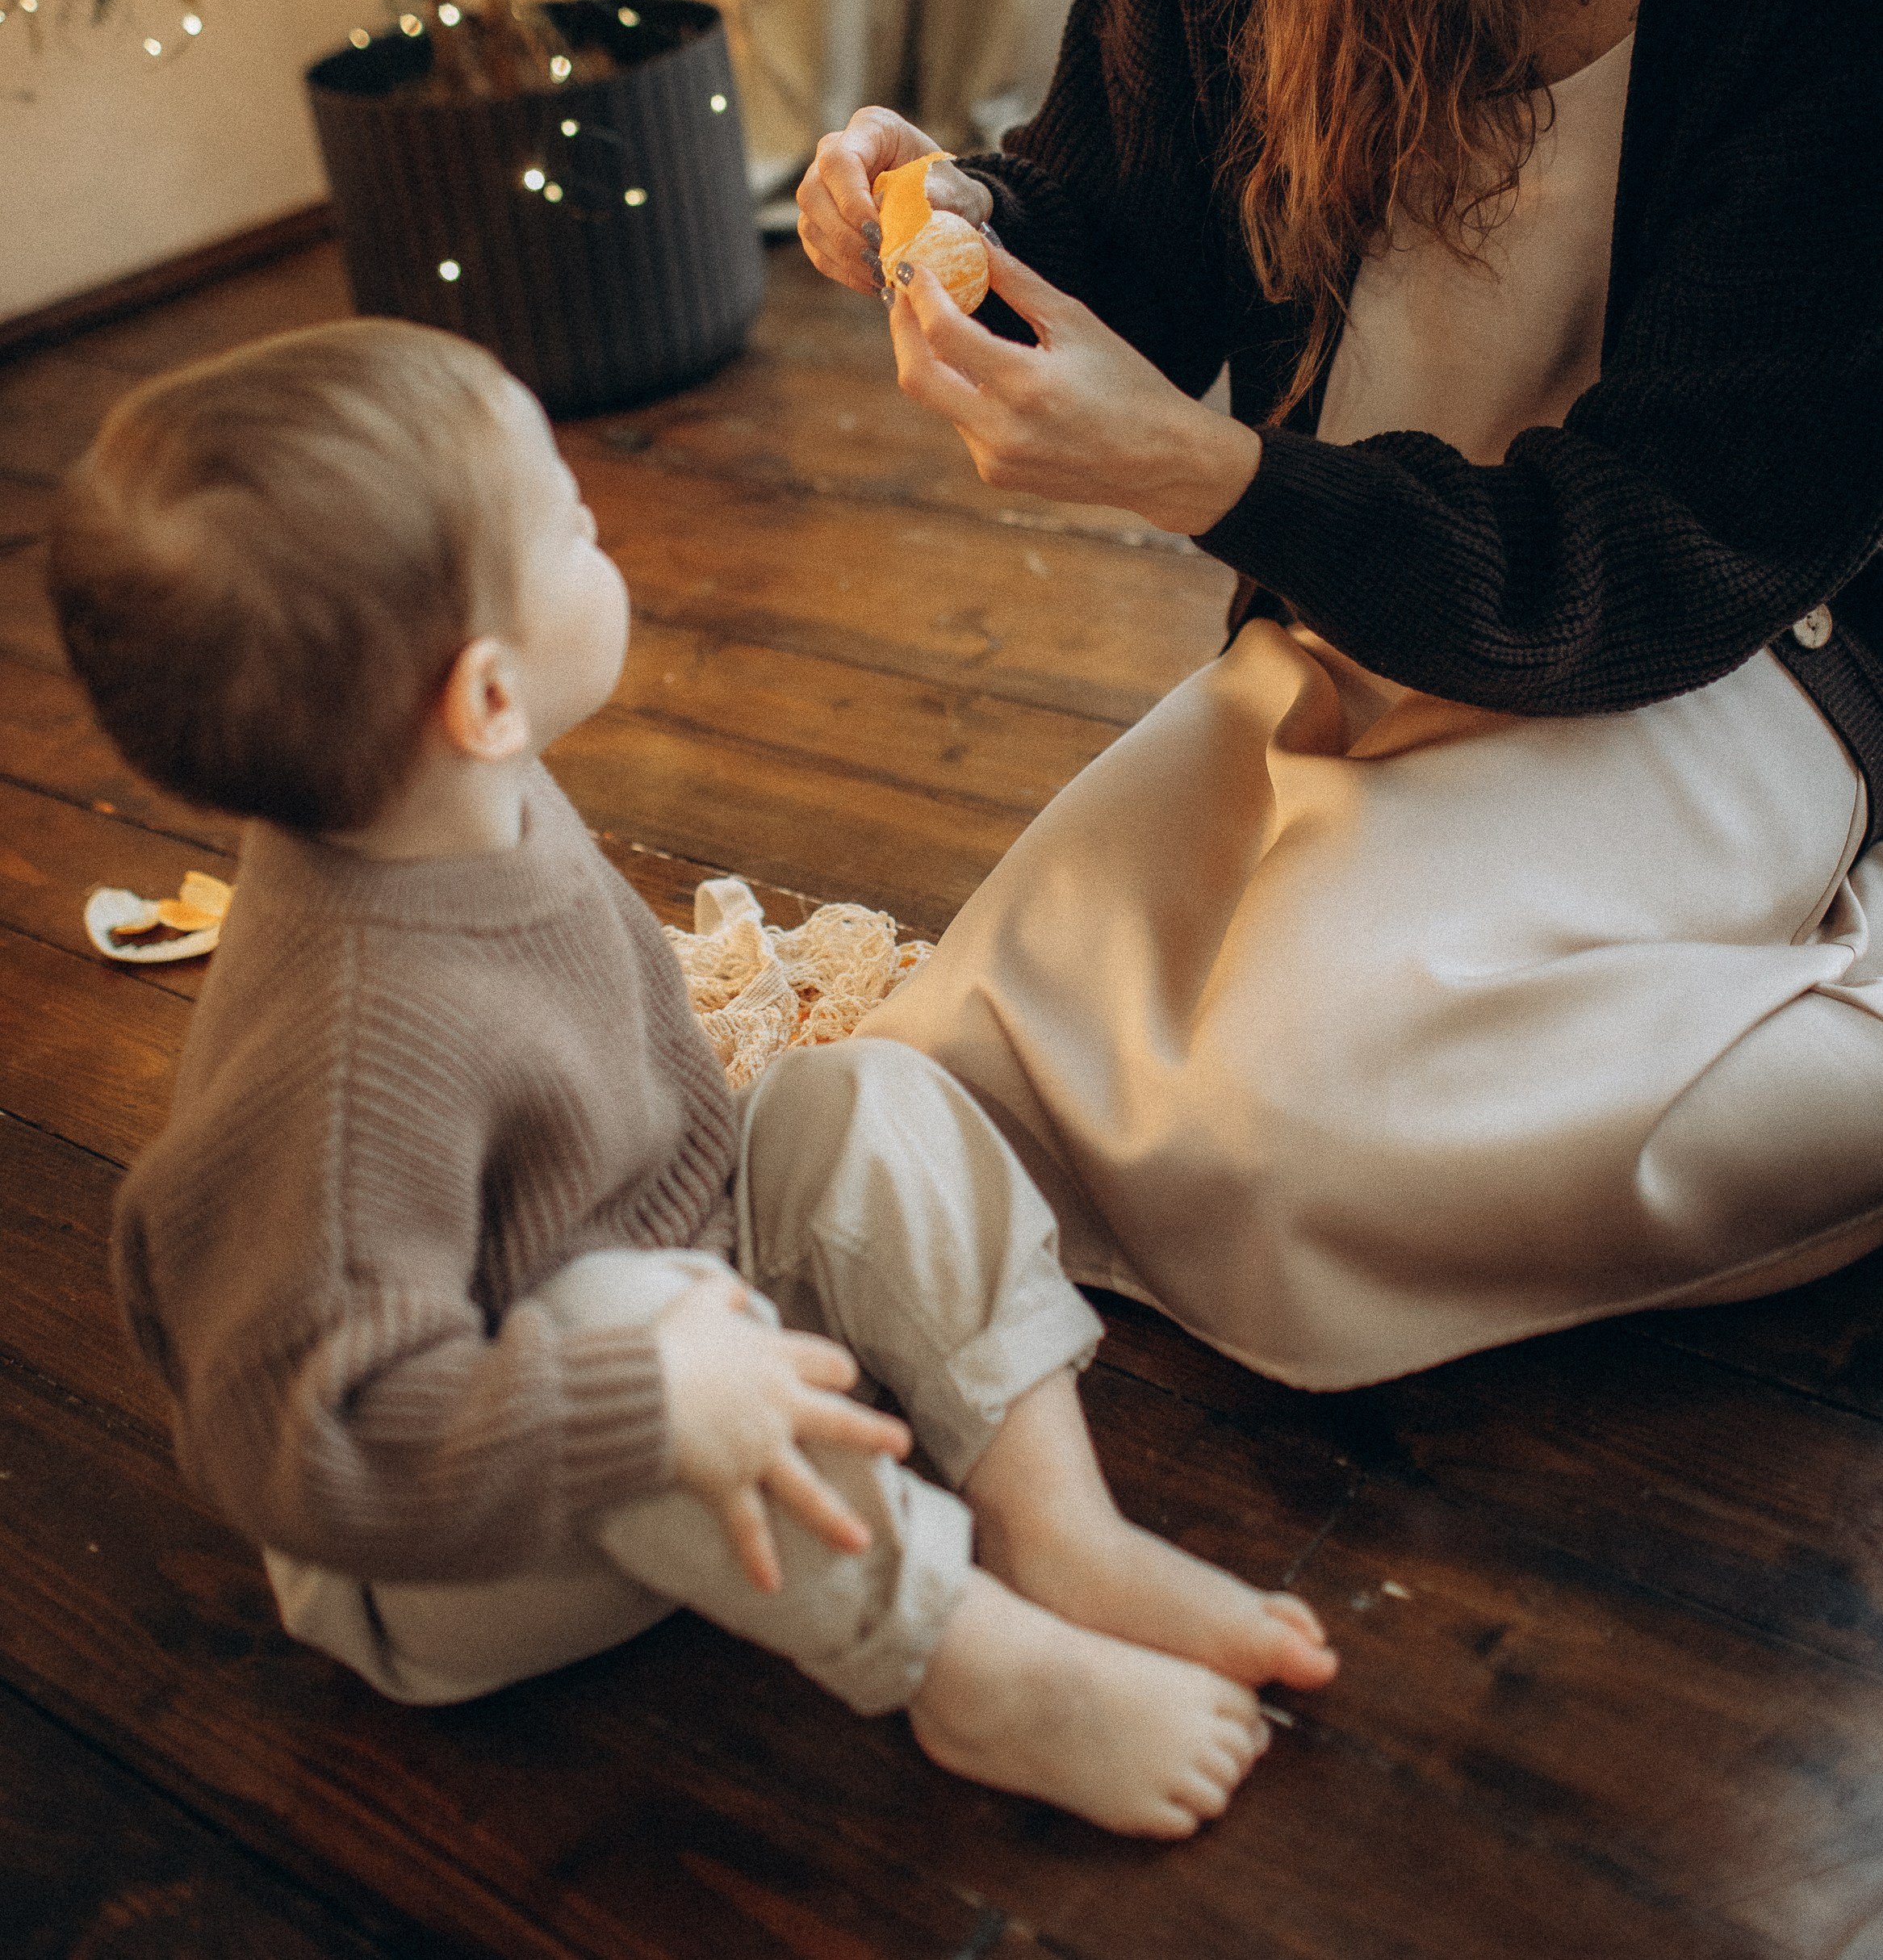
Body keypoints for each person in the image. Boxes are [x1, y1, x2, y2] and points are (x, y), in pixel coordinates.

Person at [797, 0, 1883, 1388]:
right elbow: (1115, 223)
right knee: (961, 1056)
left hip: (1716, 661)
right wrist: (951, 216)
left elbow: (1641, 560)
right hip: (1364, 607)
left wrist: (1213, 484)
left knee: (1279, 1118)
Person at [48, 320, 1337, 1840]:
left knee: (868, 1096)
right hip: (442, 1547)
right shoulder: (343, 1068)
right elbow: (310, 1441)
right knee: (620, 1318)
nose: (600, 531)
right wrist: (643, 1396)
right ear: (484, 702)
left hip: (635, 1303)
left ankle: (1053, 1526)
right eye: (572, 527)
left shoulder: (431, 790)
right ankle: (967, 1665)